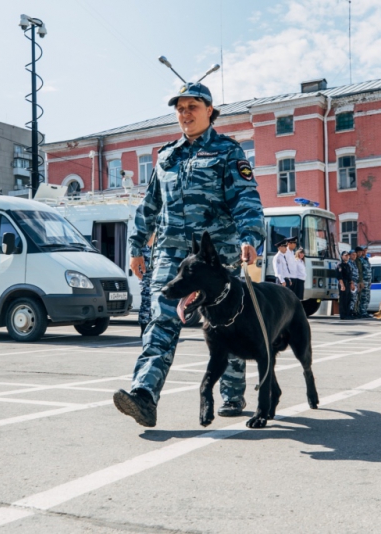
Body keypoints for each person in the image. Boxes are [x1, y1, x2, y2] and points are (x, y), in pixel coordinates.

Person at [114, 81, 266, 427]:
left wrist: (250, 237)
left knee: (225, 321)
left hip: (215, 258)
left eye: (192, 107)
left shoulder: (228, 152)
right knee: (161, 319)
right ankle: (144, 395)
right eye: (180, 109)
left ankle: (232, 391)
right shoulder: (167, 156)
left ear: (210, 111)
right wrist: (136, 246)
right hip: (170, 255)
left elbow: (246, 199)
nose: (185, 114)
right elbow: (150, 205)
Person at [137, 234, 155, 335]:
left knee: (153, 306)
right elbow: (139, 267)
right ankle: (143, 329)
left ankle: (151, 329)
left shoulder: (156, 247)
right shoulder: (142, 248)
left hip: (154, 282)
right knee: (145, 306)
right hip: (146, 282)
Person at [337, 251, 354, 320]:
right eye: (345, 255)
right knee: (343, 300)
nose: (347, 256)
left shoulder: (348, 265)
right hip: (343, 283)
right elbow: (339, 276)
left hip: (348, 283)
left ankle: (347, 314)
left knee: (348, 299)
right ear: (342, 256)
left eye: (348, 255)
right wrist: (342, 285)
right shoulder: (340, 265)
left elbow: (349, 276)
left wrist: (352, 284)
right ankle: (343, 315)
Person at [356, 246, 372, 318]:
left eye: (366, 250)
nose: (365, 252)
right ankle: (361, 312)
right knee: (363, 297)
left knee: (367, 297)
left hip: (368, 281)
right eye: (363, 250)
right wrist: (361, 281)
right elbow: (360, 272)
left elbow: (369, 271)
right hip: (363, 281)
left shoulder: (366, 259)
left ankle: (364, 311)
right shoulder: (360, 260)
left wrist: (370, 281)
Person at [348, 250, 360, 317]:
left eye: (355, 254)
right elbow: (350, 274)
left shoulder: (354, 263)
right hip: (351, 283)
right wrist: (351, 283)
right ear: (349, 255)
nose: (354, 256)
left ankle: (353, 311)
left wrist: (357, 283)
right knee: (352, 298)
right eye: (353, 254)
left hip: (355, 282)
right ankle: (350, 311)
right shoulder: (349, 263)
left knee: (354, 298)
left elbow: (357, 274)